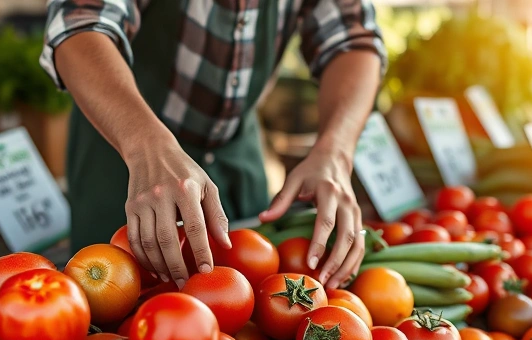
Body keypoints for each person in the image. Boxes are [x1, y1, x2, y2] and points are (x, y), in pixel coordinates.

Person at [41, 0, 385, 288]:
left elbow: (352, 38)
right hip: (122, 155)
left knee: (246, 316)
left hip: (236, 156)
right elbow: (79, 22)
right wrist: (146, 145)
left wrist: (335, 152)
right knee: (112, 305)